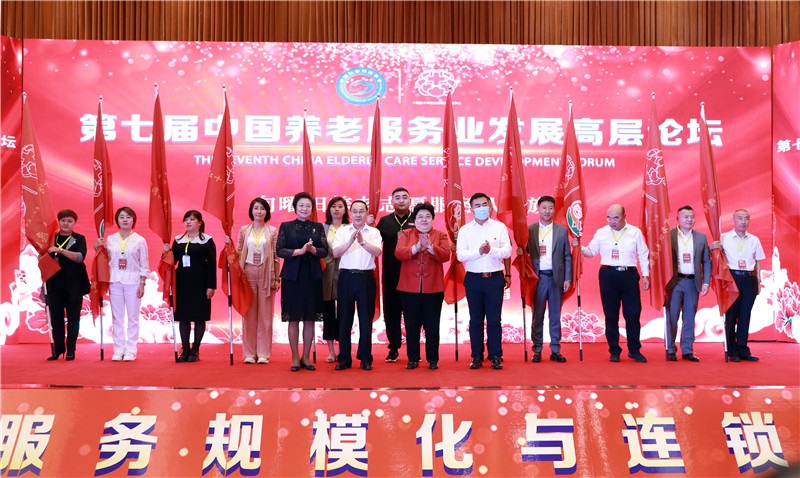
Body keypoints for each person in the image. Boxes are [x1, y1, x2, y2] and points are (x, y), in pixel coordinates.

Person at [578, 204, 650, 363]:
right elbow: (590, 252)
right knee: (610, 315)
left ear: (624, 217)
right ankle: (614, 350)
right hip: (608, 275)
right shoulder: (601, 232)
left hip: (629, 275)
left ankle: (634, 350)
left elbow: (643, 254)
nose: (612, 221)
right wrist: (579, 247)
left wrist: (646, 275)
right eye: (609, 218)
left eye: (616, 218)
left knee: (632, 314)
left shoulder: (635, 232)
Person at [456, 192, 511, 370]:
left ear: (490, 206)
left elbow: (507, 251)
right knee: (476, 319)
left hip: (494, 278)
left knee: (494, 319)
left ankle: (495, 355)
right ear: (471, 209)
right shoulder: (465, 230)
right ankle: (477, 355)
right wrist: (479, 252)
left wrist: (491, 251)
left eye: (484, 204)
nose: (481, 208)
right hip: (474, 279)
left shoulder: (499, 227)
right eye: (477, 206)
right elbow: (460, 255)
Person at [395, 202, 450, 370]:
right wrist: (417, 247)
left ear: (433, 219)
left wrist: (430, 247)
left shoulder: (440, 235)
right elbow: (399, 253)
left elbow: (445, 255)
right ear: (414, 220)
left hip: (433, 288)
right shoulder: (405, 234)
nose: (424, 220)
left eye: (427, 216)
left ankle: (432, 359)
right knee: (411, 325)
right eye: (420, 217)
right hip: (408, 288)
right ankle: (413, 358)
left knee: (432, 325)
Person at [277, 192, 328, 371]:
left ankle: (306, 357)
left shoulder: (318, 227)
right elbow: (279, 250)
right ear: (295, 208)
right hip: (292, 277)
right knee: (293, 318)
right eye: (301, 205)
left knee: (309, 319)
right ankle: (294, 357)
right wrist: (299, 251)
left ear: (312, 209)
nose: (305, 208)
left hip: (312, 277)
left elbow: (324, 251)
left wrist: (313, 250)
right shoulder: (286, 226)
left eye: (308, 206)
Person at [333, 200, 382, 370]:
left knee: (365, 320)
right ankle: (344, 358)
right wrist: (350, 241)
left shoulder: (374, 232)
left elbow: (378, 252)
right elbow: (335, 253)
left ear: (367, 213)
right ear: (350, 213)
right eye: (355, 211)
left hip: (365, 278)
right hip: (346, 277)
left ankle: (365, 358)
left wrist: (362, 242)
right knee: (344, 319)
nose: (358, 214)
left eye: (361, 211)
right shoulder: (342, 231)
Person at [95, 206, 149, 362]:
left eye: (128, 217)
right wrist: (97, 247)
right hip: (115, 281)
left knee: (133, 317)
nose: (125, 220)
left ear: (133, 220)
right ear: (117, 220)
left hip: (133, 281)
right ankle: (118, 349)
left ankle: (131, 350)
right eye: (122, 217)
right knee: (117, 317)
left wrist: (142, 283)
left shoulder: (140, 240)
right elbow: (104, 258)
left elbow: (144, 263)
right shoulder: (111, 239)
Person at [712, 209, 765, 362]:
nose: (743, 221)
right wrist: (711, 247)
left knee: (745, 315)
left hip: (749, 279)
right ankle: (731, 350)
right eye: (740, 218)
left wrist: (758, 282)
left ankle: (743, 349)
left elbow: (758, 263)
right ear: (733, 221)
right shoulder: (724, 238)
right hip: (732, 278)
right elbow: (714, 255)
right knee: (731, 315)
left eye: (746, 218)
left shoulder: (754, 240)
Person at [526, 196, 572, 363]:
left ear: (554, 209)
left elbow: (567, 256)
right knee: (537, 316)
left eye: (550, 208)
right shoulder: (529, 230)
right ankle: (537, 349)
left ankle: (555, 349)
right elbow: (525, 252)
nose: (547, 211)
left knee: (555, 316)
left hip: (556, 279)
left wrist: (568, 278)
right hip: (538, 279)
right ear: (538, 208)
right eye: (544, 208)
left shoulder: (561, 231)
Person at [235, 198, 280, 364]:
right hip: (248, 272)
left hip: (266, 273)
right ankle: (249, 353)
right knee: (249, 314)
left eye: (262, 208)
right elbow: (239, 251)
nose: (259, 211)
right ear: (251, 211)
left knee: (265, 316)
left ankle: (263, 353)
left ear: (267, 212)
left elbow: (276, 256)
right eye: (256, 208)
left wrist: (277, 277)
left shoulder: (272, 231)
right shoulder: (244, 230)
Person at [665, 206, 711, 362]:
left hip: (692, 282)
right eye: (685, 217)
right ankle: (670, 349)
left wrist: (706, 282)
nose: (689, 219)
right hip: (674, 282)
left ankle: (687, 350)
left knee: (690, 317)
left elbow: (706, 261)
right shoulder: (668, 235)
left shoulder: (701, 237)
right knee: (672, 316)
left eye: (692, 216)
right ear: (677, 218)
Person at [44, 209, 91, 361]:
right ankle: (58, 350)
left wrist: (61, 251)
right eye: (63, 220)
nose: (66, 223)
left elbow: (80, 257)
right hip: (54, 285)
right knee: (56, 319)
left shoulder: (79, 239)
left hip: (74, 286)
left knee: (73, 319)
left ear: (74, 223)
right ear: (59, 221)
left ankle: (71, 349)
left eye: (69, 221)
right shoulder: (52, 238)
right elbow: (43, 257)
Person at [171, 210, 216, 362]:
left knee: (199, 317)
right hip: (182, 283)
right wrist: (165, 253)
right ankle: (185, 349)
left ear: (200, 223)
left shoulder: (207, 241)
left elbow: (211, 265)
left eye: (192, 219)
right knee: (183, 317)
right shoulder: (178, 240)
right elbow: (171, 262)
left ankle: (195, 350)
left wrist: (211, 286)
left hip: (200, 283)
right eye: (186, 220)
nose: (188, 222)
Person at [375, 187, 413, 362]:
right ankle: (393, 348)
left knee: (413, 313)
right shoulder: (385, 221)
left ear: (410, 200)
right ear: (392, 201)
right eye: (397, 197)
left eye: (405, 197)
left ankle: (413, 349)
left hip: (413, 274)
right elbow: (373, 242)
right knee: (391, 313)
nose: (401, 200)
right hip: (391, 275)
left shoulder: (417, 219)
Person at [322, 197, 349, 363]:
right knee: (328, 312)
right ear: (329, 210)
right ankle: (331, 351)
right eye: (333, 206)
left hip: (345, 271)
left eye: (340, 206)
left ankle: (342, 349)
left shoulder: (350, 228)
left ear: (345, 210)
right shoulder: (322, 228)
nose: (337, 209)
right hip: (327, 273)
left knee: (344, 312)